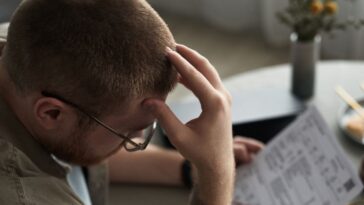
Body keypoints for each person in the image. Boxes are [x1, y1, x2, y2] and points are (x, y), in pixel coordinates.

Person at [0, 0, 263, 204]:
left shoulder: (22, 47)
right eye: (126, 132)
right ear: (51, 113)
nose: (137, 140)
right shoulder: (23, 195)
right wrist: (216, 176)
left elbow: (81, 143)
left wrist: (191, 167)